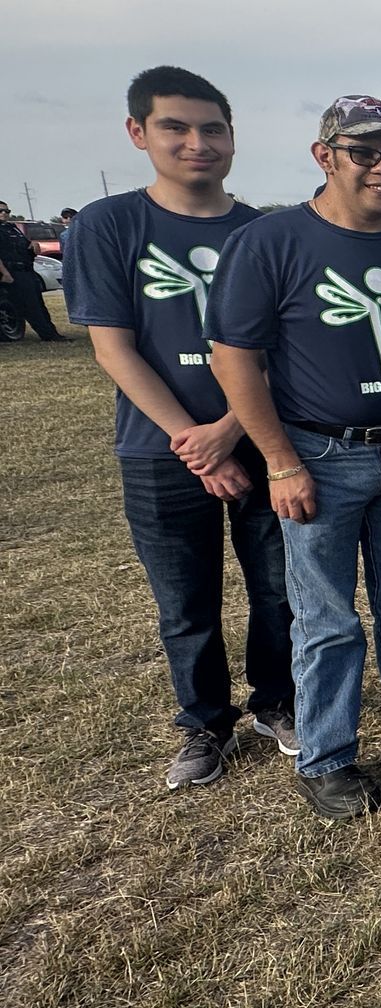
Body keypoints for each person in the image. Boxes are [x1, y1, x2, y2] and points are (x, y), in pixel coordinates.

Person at [205, 95, 381, 820]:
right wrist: (280, 461)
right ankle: (326, 757)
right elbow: (235, 359)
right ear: (326, 155)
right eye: (365, 153)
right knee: (326, 618)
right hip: (317, 455)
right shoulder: (271, 241)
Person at [64, 65, 294, 790]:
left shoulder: (260, 230)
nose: (197, 143)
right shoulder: (110, 224)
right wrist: (193, 441)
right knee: (185, 603)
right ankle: (203, 724)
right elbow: (113, 347)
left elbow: (279, 351)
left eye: (213, 129)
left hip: (258, 442)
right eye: (176, 127)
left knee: (279, 589)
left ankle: (277, 703)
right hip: (159, 450)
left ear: (232, 138)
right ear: (139, 133)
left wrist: (231, 428)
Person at [0, 201, 64, 341]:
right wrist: (4, 273)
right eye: (1, 211)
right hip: (12, 271)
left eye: (6, 211)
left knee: (37, 304)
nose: (4, 213)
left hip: (26, 270)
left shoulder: (12, 228)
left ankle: (51, 334)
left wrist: (33, 246)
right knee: (28, 306)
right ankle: (47, 335)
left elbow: (23, 245)